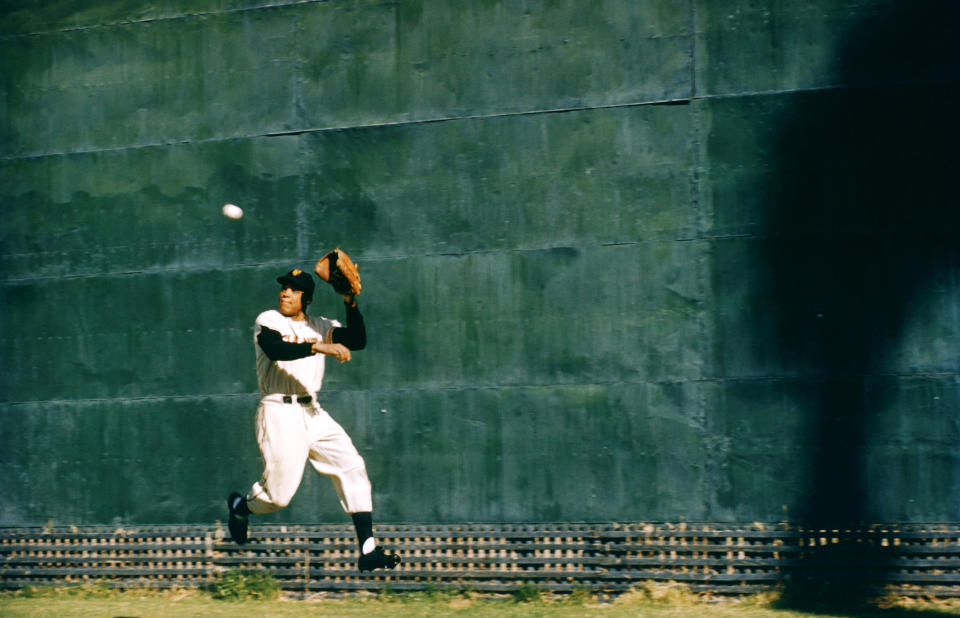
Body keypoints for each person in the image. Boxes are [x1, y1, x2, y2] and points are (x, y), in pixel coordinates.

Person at [226, 267, 400, 572]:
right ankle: (240, 506)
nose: (285, 293)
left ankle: (368, 548)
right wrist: (320, 346)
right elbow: (275, 348)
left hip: (313, 411)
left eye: (293, 289)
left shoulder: (321, 325)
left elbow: (357, 339)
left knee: (352, 465)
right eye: (284, 288)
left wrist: (350, 301)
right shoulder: (269, 320)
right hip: (279, 410)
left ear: (306, 298)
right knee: (279, 496)